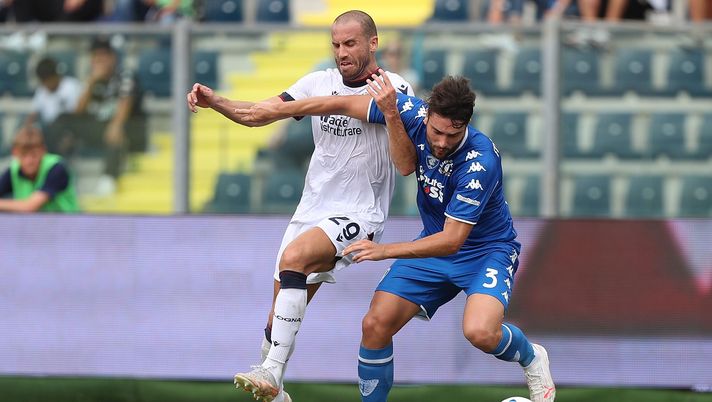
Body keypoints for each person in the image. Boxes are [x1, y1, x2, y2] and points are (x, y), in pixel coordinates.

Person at [231, 73, 556, 402]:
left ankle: (531, 357)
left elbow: (452, 240)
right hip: (434, 243)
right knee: (375, 324)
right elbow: (339, 103)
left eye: (452, 135)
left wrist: (384, 250)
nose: (442, 142)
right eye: (437, 132)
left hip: (485, 251)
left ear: (466, 125)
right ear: (427, 115)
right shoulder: (408, 111)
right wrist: (278, 111)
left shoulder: (481, 161)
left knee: (480, 332)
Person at [186, 10, 414, 402]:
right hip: (311, 210)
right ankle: (277, 388)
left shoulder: (393, 88)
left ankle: (273, 372)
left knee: (295, 258)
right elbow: (260, 113)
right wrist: (216, 102)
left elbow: (406, 164)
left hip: (359, 213)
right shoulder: (317, 83)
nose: (341, 52)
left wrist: (391, 114)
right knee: (274, 329)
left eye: (350, 44)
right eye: (336, 44)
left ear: (372, 44)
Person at [47, 37, 147, 195]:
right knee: (62, 120)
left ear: (113, 57)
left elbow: (126, 101)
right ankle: (49, 164)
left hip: (127, 128)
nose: (99, 61)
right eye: (95, 57)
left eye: (103, 56)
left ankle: (109, 178)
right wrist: (91, 81)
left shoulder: (125, 75)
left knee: (117, 131)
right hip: (99, 126)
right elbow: (79, 111)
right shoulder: (93, 79)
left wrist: (116, 124)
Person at [0, 125, 80, 213]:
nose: (29, 160)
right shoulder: (13, 171)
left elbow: (29, 207)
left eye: (34, 155)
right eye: (23, 155)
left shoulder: (56, 169)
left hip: (68, 225)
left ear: (43, 151)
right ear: (15, 152)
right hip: (34, 225)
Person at [25, 57, 82, 131]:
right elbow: (32, 115)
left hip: (71, 129)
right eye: (43, 82)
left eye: (48, 81)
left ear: (56, 76)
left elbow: (78, 115)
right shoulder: (41, 91)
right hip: (50, 131)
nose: (46, 85)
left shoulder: (72, 86)